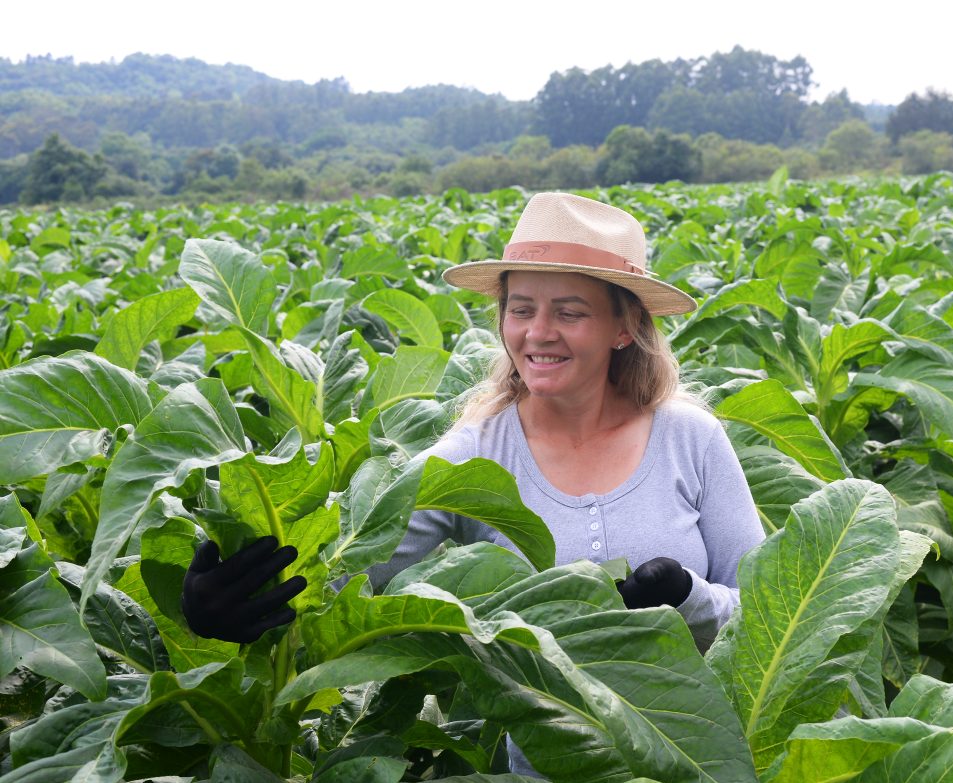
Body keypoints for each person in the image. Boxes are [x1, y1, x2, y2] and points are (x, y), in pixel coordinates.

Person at [182, 192, 764, 655]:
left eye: (570, 312)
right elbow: (347, 573)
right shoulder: (473, 456)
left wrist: (688, 600)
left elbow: (766, 611)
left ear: (623, 327)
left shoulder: (691, 439)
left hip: (704, 762)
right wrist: (237, 600)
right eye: (521, 309)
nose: (539, 333)